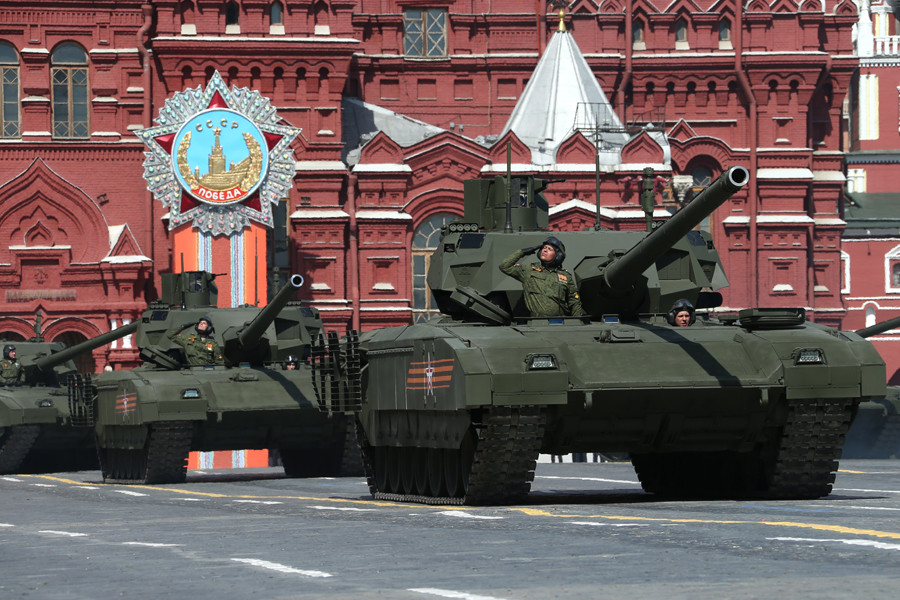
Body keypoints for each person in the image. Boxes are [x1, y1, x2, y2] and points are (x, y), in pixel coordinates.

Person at [499, 236, 586, 318]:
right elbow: (504, 266)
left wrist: (577, 322)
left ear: (557, 255)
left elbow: (574, 301)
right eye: (544, 248)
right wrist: (522, 252)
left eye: (549, 249)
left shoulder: (565, 276)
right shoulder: (528, 271)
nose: (545, 250)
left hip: (561, 322)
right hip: (537, 323)